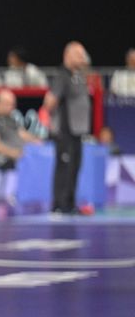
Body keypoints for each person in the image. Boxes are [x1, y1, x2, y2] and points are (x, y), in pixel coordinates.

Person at [43, 41, 91, 215]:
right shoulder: (62, 75)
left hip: (78, 130)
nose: (82, 58)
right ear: (67, 55)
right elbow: (50, 101)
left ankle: (70, 203)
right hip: (65, 129)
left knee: (75, 166)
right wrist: (53, 119)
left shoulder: (77, 75)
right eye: (79, 54)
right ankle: (59, 204)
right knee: (64, 166)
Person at [0, 89, 41, 168]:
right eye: (8, 104)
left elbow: (23, 134)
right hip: (6, 159)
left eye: (13, 105)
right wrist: (13, 153)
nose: (11, 108)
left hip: (23, 156)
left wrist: (38, 142)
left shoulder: (10, 119)